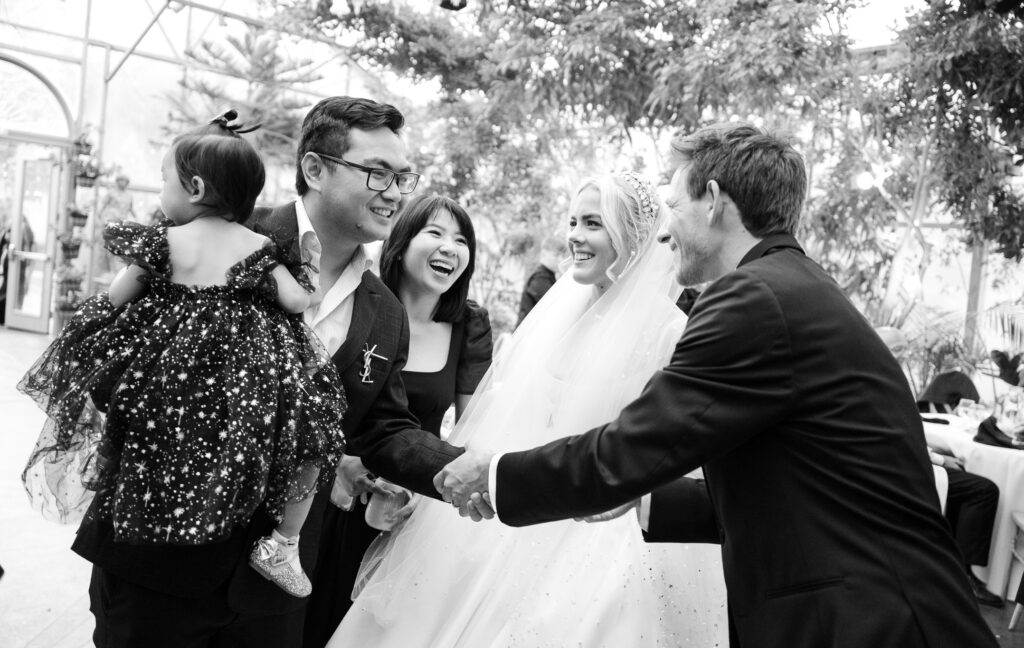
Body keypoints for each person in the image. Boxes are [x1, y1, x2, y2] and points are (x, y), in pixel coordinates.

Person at [437, 124, 999, 648]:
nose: (664, 231)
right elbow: (787, 486)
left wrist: (496, 475)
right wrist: (644, 498)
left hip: (869, 621)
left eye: (675, 206)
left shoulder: (752, 297)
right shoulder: (790, 284)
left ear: (712, 200)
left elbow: (635, 445)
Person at [330, 172, 727, 647]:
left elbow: (675, 446)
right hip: (518, 500)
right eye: (573, 222)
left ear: (634, 236)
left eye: (593, 224)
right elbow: (511, 414)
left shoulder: (670, 333)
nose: (575, 236)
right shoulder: (558, 315)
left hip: (603, 527)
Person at [18, 110, 349, 633]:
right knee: (303, 433)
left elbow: (116, 296)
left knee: (147, 439)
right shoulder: (259, 247)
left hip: (165, 391)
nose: (161, 191)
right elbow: (294, 300)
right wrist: (306, 274)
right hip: (240, 400)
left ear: (194, 188)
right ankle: (280, 543)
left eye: (164, 181)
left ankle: (144, 510)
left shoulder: (166, 242)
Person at [245, 96, 467, 648]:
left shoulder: (386, 313)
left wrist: (469, 469)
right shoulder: (235, 235)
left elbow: (384, 428)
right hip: (165, 554)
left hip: (281, 576)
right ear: (315, 169)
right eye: (377, 173)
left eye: (402, 177)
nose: (394, 193)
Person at [327, 192, 494, 619]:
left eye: (461, 240)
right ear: (400, 244)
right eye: (435, 233)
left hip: (415, 502)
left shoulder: (470, 325)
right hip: (333, 496)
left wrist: (433, 487)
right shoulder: (359, 303)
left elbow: (474, 425)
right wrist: (341, 461)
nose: (450, 248)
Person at [515, 234, 566, 327]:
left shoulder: (548, 276)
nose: (560, 260)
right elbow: (556, 308)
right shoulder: (540, 278)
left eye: (562, 256)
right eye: (556, 255)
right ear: (544, 254)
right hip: (528, 333)